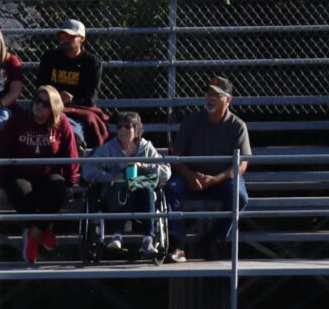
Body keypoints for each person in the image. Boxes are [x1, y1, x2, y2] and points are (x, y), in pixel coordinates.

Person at [0, 85, 81, 265]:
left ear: (53, 107)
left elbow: (71, 154)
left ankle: (33, 234)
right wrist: (0, 184)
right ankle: (41, 233)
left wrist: (71, 183)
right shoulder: (18, 120)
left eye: (45, 104)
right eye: (37, 101)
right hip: (20, 173)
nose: (39, 105)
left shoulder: (61, 123)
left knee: (58, 188)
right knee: (20, 190)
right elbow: (3, 151)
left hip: (48, 174)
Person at [167, 77, 251, 260]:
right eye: (208, 94)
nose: (210, 98)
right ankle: (177, 245)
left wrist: (215, 179)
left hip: (221, 180)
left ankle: (213, 239)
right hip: (191, 179)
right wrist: (189, 176)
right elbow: (176, 156)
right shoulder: (192, 121)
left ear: (228, 100)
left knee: (239, 196)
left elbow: (242, 164)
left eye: (216, 95)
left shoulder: (237, 126)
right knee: (171, 188)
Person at [81, 110, 170, 260]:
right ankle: (117, 236)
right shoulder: (109, 149)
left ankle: (147, 239)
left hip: (142, 195)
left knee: (146, 189)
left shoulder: (146, 148)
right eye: (119, 127)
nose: (122, 130)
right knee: (127, 187)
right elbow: (88, 170)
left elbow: (166, 172)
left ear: (137, 130)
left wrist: (144, 165)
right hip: (115, 194)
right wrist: (112, 177)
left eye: (127, 127)